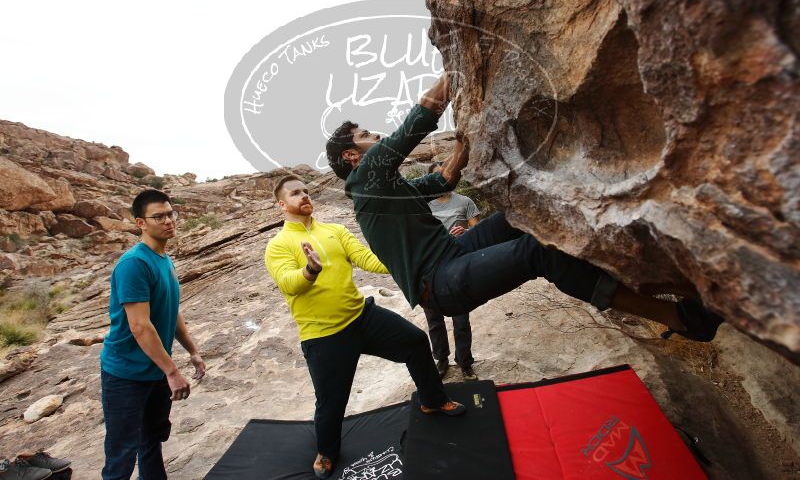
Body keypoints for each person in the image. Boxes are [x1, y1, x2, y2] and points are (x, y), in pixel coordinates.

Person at [325, 73, 724, 344]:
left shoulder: (387, 189)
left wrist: (466, 140)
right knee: (539, 252)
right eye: (364, 135)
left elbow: (444, 180)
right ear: (351, 155)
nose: (374, 135)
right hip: (439, 283)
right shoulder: (365, 181)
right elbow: (418, 121)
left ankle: (680, 290)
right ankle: (679, 317)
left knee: (526, 218)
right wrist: (452, 70)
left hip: (451, 255)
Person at [264, 176, 465, 479]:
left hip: (362, 317)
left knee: (415, 341)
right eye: (295, 193)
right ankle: (327, 452)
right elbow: (289, 284)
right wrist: (310, 270)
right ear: (281, 204)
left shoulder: (334, 231)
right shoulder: (278, 245)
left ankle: (432, 401)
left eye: (306, 191)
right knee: (331, 403)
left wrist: (409, 262)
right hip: (324, 335)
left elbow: (367, 259)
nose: (304, 196)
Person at [99, 189, 206, 480]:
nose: (168, 221)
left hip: (155, 371)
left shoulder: (164, 259)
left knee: (151, 441)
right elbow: (139, 326)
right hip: (125, 375)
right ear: (140, 223)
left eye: (171, 214)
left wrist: (192, 351)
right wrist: (172, 372)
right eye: (158, 216)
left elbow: (172, 311)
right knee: (122, 454)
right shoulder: (134, 263)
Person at [424, 162, 480, 380]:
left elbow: (478, 230)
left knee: (461, 318)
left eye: (446, 174)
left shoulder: (465, 201)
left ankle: (465, 362)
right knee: (434, 318)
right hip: (431, 265)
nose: (443, 179)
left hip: (457, 263)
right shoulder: (424, 205)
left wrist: (465, 231)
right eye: (437, 176)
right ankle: (441, 359)